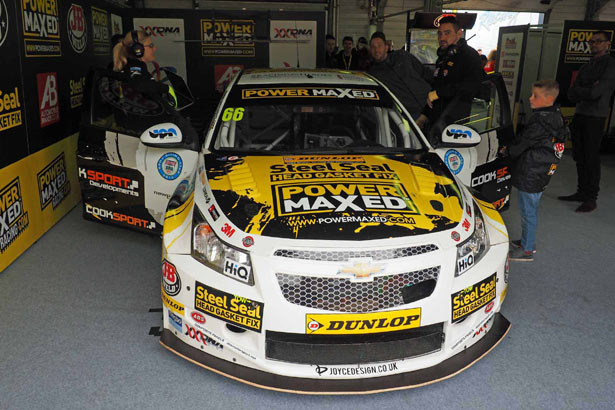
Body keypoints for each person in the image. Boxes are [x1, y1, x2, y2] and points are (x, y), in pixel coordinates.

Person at [507, 80, 569, 261]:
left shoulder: (540, 122)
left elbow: (520, 145)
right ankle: (527, 240)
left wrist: (507, 151)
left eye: (535, 96)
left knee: (528, 212)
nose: (530, 98)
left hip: (532, 173)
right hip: (543, 171)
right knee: (531, 209)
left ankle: (527, 250)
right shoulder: (556, 115)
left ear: (549, 98)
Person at [558, 30, 615, 212]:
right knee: (579, 156)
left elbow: (595, 93)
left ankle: (591, 197)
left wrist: (587, 89)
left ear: (607, 44)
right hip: (580, 114)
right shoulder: (586, 66)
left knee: (591, 158)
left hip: (595, 117)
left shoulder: (610, 65)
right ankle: (581, 191)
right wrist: (588, 88)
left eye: (598, 41)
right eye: (592, 42)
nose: (594, 44)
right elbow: (572, 91)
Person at [416, 15, 484, 131]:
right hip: (436, 124)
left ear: (459, 34)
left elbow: (470, 87)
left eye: (447, 33)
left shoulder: (469, 56)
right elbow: (435, 90)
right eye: (440, 33)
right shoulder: (443, 58)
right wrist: (424, 115)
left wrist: (439, 93)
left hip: (456, 127)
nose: (442, 37)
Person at [367, 31, 432, 120]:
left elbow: (423, 72)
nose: (376, 50)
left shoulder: (402, 56)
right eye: (373, 47)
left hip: (430, 105)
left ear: (386, 47)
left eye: (379, 45)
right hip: (410, 115)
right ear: (370, 50)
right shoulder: (373, 75)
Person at [112, 30, 176, 107]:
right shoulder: (134, 65)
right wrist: (166, 88)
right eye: (151, 45)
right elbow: (139, 85)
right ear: (138, 49)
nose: (154, 48)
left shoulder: (135, 65)